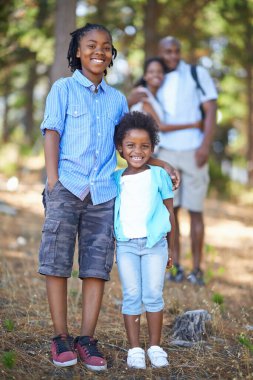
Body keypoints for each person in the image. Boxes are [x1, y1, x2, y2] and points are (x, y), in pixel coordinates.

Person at [39, 24, 180, 371]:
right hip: (67, 186)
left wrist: (161, 162)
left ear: (111, 54)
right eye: (91, 45)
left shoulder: (117, 99)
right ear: (77, 52)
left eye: (106, 46)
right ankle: (61, 337)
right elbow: (52, 132)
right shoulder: (63, 89)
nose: (99, 51)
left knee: (96, 267)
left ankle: (86, 338)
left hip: (104, 193)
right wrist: (54, 180)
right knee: (57, 263)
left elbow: (128, 144)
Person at [128, 37, 217, 285]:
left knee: (196, 210)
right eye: (168, 51)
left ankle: (197, 270)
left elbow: (210, 109)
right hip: (167, 152)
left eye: (177, 51)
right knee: (170, 211)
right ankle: (174, 265)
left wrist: (205, 145)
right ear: (159, 52)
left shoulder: (196, 74)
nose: (173, 56)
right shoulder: (158, 81)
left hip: (193, 151)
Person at [113, 111, 175, 369]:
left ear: (152, 148)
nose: (137, 151)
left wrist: (171, 249)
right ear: (120, 148)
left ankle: (155, 346)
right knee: (131, 295)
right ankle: (135, 349)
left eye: (144, 146)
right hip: (126, 246)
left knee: (152, 295)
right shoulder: (115, 179)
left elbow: (170, 213)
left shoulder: (159, 176)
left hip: (155, 246)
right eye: (131, 145)